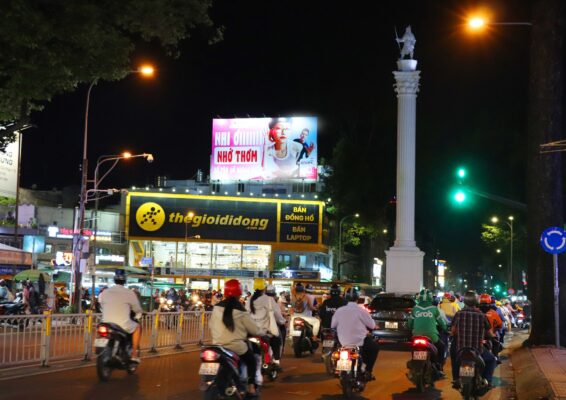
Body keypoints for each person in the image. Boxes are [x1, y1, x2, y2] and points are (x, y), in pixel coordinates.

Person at [210, 279, 264, 396]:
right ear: (239, 294)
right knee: (252, 361)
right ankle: (251, 387)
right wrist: (262, 332)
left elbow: (211, 325)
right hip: (235, 347)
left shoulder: (216, 308)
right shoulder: (241, 310)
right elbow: (254, 330)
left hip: (217, 346)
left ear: (224, 293)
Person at [450, 290, 497, 389]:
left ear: (465, 301)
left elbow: (453, 331)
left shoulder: (458, 314)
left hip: (461, 349)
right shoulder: (482, 315)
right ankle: (487, 381)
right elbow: (489, 333)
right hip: (477, 350)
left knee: (454, 358)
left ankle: (456, 379)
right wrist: (493, 336)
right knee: (492, 360)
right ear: (476, 301)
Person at [331, 287, 379, 380]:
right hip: (359, 341)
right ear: (357, 299)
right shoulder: (361, 311)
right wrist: (374, 327)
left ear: (345, 298)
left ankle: (337, 368)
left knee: (336, 350)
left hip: (343, 342)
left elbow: (333, 325)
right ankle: (368, 371)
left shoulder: (339, 311)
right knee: (374, 348)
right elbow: (372, 325)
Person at [99, 270, 143, 363]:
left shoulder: (105, 292)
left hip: (106, 322)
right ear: (125, 281)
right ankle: (134, 354)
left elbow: (102, 305)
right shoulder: (129, 293)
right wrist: (139, 314)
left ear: (114, 280)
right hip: (122, 324)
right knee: (137, 327)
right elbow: (137, 309)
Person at [246, 280, 286, 367]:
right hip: (266, 331)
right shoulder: (269, 299)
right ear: (264, 288)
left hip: (251, 331)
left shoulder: (249, 300)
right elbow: (277, 315)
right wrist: (283, 321)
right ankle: (276, 360)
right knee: (277, 338)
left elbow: (246, 314)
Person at [408, 289, 447, 374]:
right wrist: (446, 329)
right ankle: (439, 366)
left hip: (416, 336)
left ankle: (414, 362)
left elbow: (409, 324)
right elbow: (442, 323)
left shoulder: (415, 309)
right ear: (431, 298)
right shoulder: (434, 309)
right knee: (442, 347)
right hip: (432, 336)